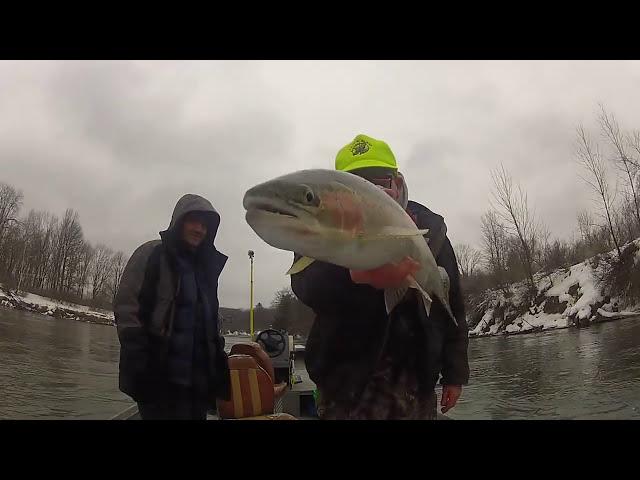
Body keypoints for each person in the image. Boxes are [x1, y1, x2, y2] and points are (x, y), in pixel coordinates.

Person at [291, 134, 469, 419]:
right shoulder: (318, 230)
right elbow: (305, 285)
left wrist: (454, 373)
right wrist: (353, 276)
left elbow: (453, 307)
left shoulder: (432, 230)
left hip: (416, 383)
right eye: (354, 185)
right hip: (346, 385)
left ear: (398, 184)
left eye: (380, 182)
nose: (370, 191)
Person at [114, 194, 231, 420]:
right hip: (158, 379)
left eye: (205, 225)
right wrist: (138, 358)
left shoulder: (206, 269)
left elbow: (211, 321)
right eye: (193, 221)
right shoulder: (152, 254)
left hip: (197, 385)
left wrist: (219, 366)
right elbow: (126, 307)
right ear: (179, 221)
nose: (199, 229)